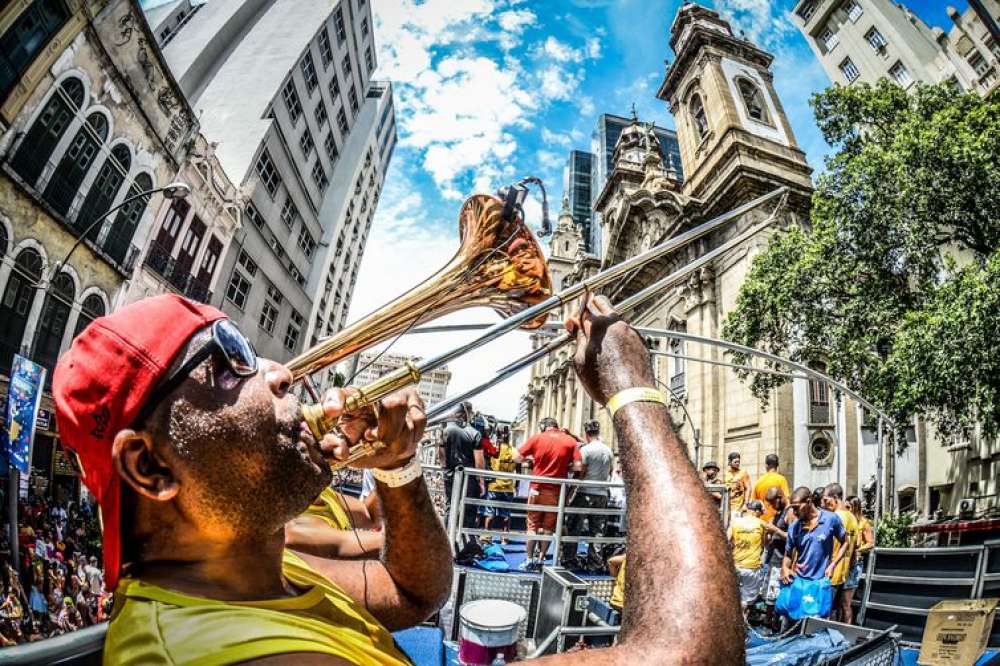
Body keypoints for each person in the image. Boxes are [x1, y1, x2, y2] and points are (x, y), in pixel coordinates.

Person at [54, 295, 451, 664]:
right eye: (231, 360)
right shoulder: (202, 648)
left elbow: (412, 593)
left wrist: (398, 464)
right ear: (151, 468)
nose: (281, 372)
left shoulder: (255, 566)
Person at [514, 417, 581, 571]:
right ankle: (541, 558)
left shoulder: (538, 438)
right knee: (548, 527)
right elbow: (578, 467)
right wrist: (563, 467)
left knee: (532, 525)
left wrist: (532, 462)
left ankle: (529, 559)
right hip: (557, 490)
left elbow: (517, 457)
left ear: (544, 427)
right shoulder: (570, 441)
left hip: (537, 488)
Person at [781, 486, 848, 620]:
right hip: (799, 582)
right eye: (792, 508)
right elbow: (788, 554)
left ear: (809, 501)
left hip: (819, 584)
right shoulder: (795, 527)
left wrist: (833, 564)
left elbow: (845, 542)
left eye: (796, 507)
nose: (794, 512)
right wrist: (785, 568)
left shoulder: (831, 519)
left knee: (816, 626)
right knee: (791, 624)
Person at [561, 420, 614, 565]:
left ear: (586, 433)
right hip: (602, 494)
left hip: (585, 492)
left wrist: (570, 492)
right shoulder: (608, 450)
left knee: (574, 527)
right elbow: (610, 471)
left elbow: (580, 472)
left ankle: (569, 559)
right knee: (597, 531)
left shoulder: (585, 450)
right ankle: (594, 563)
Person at [441, 402, 485, 545]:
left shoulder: (446, 429)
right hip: (468, 478)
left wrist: (445, 467)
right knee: (468, 509)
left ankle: (445, 542)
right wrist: (481, 481)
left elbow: (441, 453)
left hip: (449, 474)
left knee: (450, 507)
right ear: (467, 413)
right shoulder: (474, 433)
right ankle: (464, 544)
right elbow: (479, 461)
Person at [728, 500, 782, 615]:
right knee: (747, 602)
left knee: (733, 597)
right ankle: (745, 621)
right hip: (752, 568)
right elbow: (765, 544)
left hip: (735, 566)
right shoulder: (761, 523)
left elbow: (727, 541)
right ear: (757, 511)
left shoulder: (735, 522)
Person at [823, 483, 859, 623]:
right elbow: (856, 545)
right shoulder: (852, 518)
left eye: (827, 500)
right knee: (843, 608)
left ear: (835, 498)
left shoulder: (833, 518)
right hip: (845, 572)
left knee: (827, 610)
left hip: (830, 572)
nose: (825, 504)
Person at [762, 486, 792, 628]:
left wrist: (775, 529)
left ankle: (775, 625)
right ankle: (769, 622)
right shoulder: (779, 513)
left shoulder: (790, 512)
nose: (772, 507)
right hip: (772, 560)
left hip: (781, 562)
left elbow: (792, 538)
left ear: (780, 497)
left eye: (774, 503)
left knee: (775, 596)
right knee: (770, 595)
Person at [483, 428, 518, 543]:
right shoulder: (513, 450)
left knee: (489, 513)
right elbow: (518, 469)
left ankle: (487, 537)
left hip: (494, 485)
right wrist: (516, 485)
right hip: (508, 486)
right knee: (506, 514)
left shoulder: (493, 449)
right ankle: (505, 538)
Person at [752, 454, 790, 522]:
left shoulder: (759, 481)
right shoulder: (781, 479)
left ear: (766, 465)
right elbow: (786, 500)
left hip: (762, 521)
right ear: (777, 465)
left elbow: (754, 502)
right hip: (778, 522)